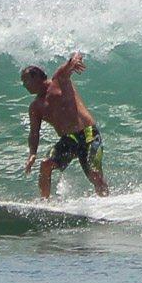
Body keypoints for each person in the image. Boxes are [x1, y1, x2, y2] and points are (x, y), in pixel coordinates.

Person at [21, 52, 109, 198]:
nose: (25, 86)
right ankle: (44, 204)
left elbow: (73, 60)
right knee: (45, 164)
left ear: (37, 77)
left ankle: (106, 202)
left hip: (88, 134)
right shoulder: (36, 107)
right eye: (23, 84)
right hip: (69, 140)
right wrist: (32, 154)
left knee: (94, 173)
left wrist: (75, 60)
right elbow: (34, 133)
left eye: (26, 82)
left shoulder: (59, 80)